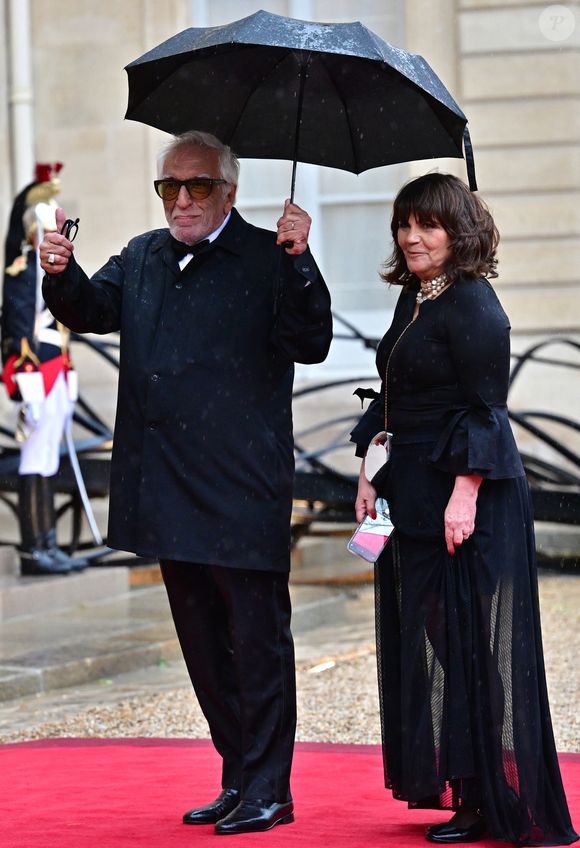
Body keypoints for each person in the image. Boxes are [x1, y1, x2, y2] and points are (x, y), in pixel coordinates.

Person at [39, 130, 332, 835]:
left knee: (258, 647)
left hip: (240, 487)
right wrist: (59, 271)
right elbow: (90, 310)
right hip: (166, 483)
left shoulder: (272, 257)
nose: (181, 199)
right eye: (169, 185)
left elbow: (312, 341)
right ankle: (238, 778)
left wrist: (301, 262)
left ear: (228, 191)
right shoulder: (142, 255)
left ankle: (271, 788)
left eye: (197, 185)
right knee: (203, 647)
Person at [350, 173, 578, 846]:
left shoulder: (477, 307)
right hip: (410, 496)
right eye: (405, 223)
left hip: (464, 504)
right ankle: (471, 787)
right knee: (442, 644)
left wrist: (466, 493)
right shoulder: (414, 298)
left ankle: (491, 796)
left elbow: (487, 411)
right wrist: (367, 470)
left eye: (430, 225)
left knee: (475, 650)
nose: (413, 237)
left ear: (459, 233)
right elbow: (393, 397)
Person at [2, 164, 87, 576]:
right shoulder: (21, 270)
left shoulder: (50, 267)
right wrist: (23, 384)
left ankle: (48, 543)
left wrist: (68, 373)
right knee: (35, 459)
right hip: (36, 372)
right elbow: (18, 328)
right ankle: (34, 547)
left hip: (56, 368)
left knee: (48, 459)